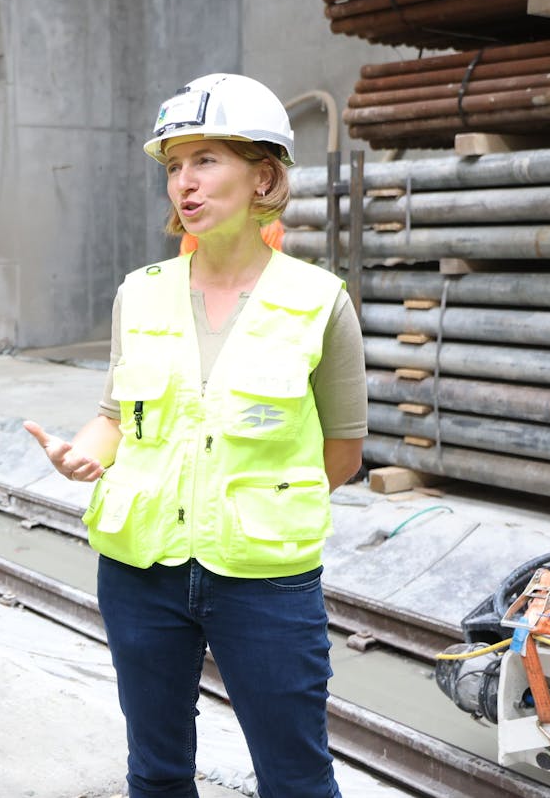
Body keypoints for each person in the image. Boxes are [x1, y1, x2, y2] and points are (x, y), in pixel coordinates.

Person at [24, 73, 367, 798]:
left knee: (298, 778)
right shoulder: (139, 290)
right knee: (155, 772)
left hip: (264, 580)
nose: (185, 182)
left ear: (263, 176)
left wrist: (256, 505)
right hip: (141, 569)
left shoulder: (319, 302)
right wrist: (84, 451)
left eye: (206, 160)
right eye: (174, 165)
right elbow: (118, 414)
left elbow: (341, 452)